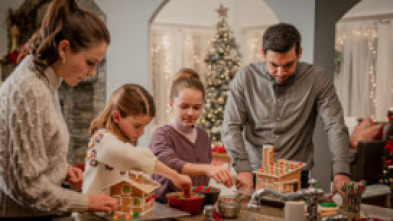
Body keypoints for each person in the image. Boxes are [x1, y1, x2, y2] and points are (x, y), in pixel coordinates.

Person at [0, 0, 117, 219]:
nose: (92, 72)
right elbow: (28, 188)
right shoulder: (30, 90)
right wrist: (86, 202)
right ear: (64, 49)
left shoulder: (44, 80)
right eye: (90, 62)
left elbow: (28, 153)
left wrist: (61, 167)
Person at [222, 23, 352, 193]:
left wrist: (341, 172)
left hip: (297, 177)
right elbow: (231, 126)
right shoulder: (245, 77)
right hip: (252, 174)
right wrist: (242, 167)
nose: (281, 72)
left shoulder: (316, 78)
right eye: (274, 65)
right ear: (263, 54)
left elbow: (335, 125)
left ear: (299, 53)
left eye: (288, 65)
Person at [82, 84, 192, 198]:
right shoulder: (102, 139)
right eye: (137, 126)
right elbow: (131, 157)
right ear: (116, 117)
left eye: (144, 126)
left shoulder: (123, 141)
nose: (142, 132)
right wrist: (174, 175)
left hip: (111, 214)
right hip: (92, 215)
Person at [149, 68, 233, 202]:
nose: (190, 113)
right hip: (166, 210)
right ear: (171, 104)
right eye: (184, 107)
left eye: (196, 107)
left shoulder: (202, 135)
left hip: (196, 208)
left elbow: (202, 178)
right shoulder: (161, 135)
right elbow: (170, 165)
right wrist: (207, 169)